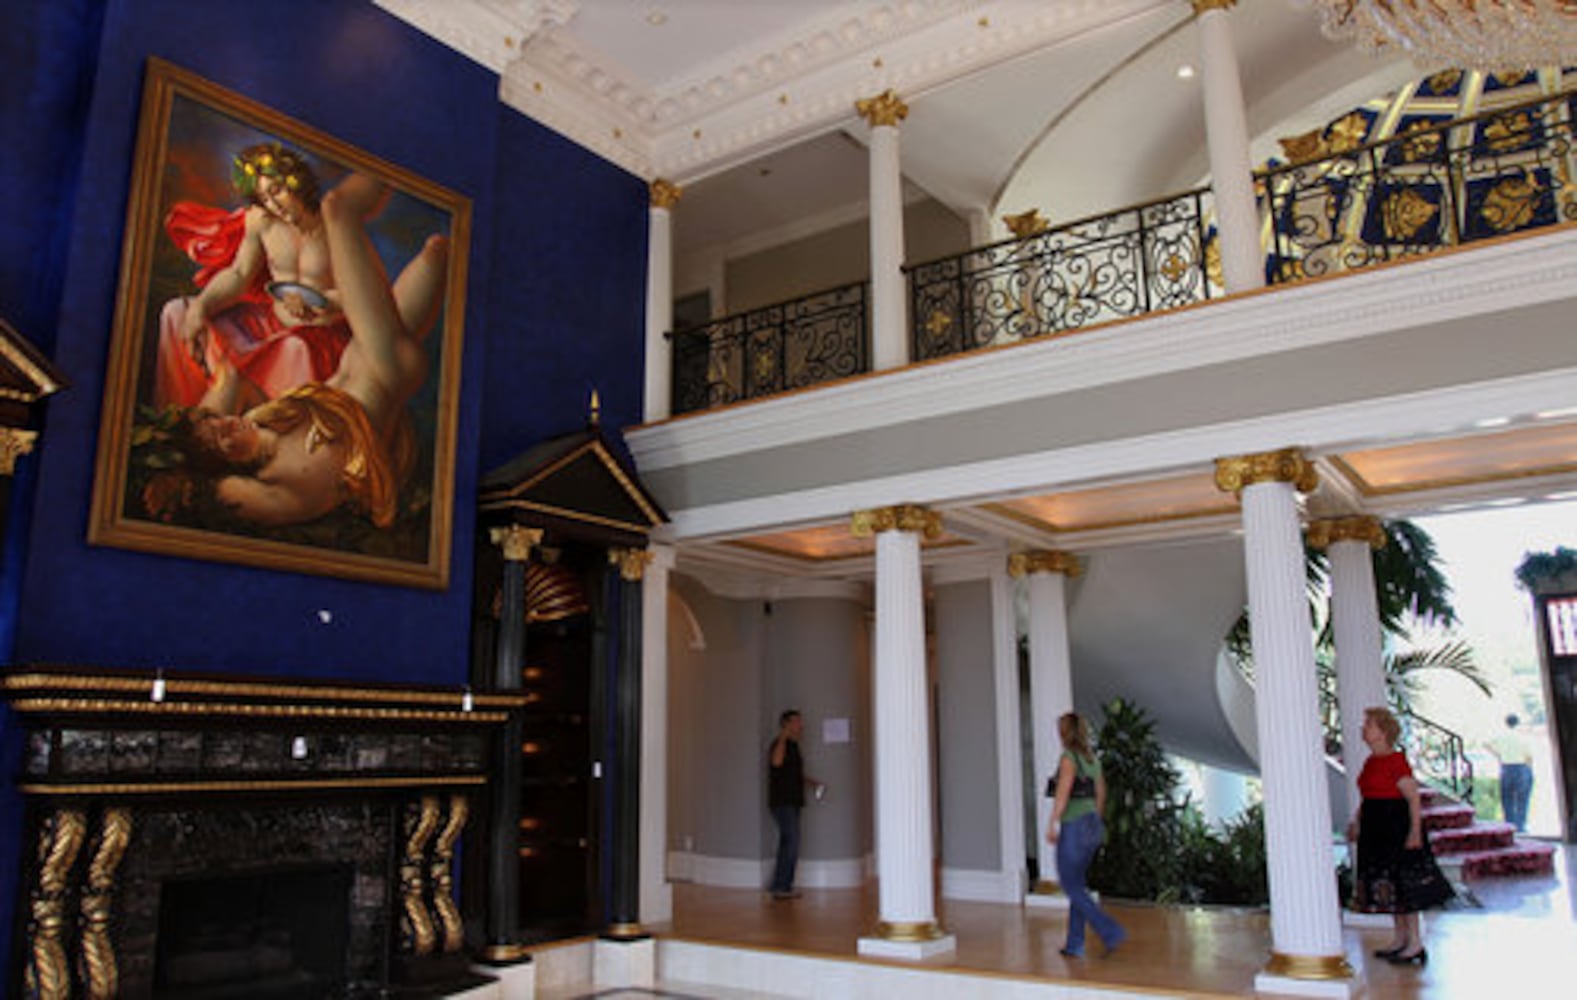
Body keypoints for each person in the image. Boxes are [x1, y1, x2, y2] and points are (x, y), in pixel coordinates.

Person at [157, 171, 448, 528]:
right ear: (228, 466)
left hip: (371, 351)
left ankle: (444, 221)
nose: (227, 422)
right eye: (221, 437)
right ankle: (396, 164)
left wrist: (198, 427)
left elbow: (230, 380)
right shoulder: (286, 483)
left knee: (439, 250)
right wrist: (181, 476)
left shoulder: (263, 420)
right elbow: (220, 496)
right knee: (338, 207)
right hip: (386, 369)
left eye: (218, 421)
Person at [155, 143, 354, 410]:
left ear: (296, 181)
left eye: (277, 191)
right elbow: (239, 274)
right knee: (177, 312)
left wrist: (321, 301)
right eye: (264, 198)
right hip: (270, 324)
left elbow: (361, 296)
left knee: (294, 347)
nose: (273, 205)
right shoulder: (261, 220)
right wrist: (200, 307)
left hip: (320, 339)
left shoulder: (334, 224)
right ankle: (176, 419)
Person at [1347, 706, 1454, 966]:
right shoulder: (1370, 762)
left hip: (1395, 827)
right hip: (1375, 827)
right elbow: (1368, 797)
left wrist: (1415, 831)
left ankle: (1415, 943)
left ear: (1383, 731)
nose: (1364, 728)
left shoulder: (1396, 761)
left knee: (1405, 884)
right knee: (1389, 884)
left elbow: (1413, 798)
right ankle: (1400, 938)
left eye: (1369, 725)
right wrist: (1357, 822)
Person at [1045, 711, 1124, 958]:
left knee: (1069, 885)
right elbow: (1101, 793)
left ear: (1066, 732)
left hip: (1074, 824)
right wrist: (1095, 821)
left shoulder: (1069, 758)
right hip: (1092, 823)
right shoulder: (1092, 760)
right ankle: (1075, 944)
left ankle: (1110, 930)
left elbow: (1063, 792)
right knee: (1078, 884)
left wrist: (1052, 822)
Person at [767, 709, 821, 900]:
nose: (801, 725)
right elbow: (776, 762)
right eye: (796, 721)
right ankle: (781, 886)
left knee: (788, 843)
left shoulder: (794, 746)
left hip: (793, 801)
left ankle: (782, 886)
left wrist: (810, 782)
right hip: (783, 802)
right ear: (786, 724)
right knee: (791, 843)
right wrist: (783, 735)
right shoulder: (779, 743)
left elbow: (792, 774)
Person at [1488, 713, 1534, 832]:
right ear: (1518, 723)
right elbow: (1529, 756)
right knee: (1522, 799)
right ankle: (1520, 826)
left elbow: (1486, 744)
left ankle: (1509, 824)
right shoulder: (1522, 736)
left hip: (1506, 767)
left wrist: (1498, 755)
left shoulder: (1501, 735)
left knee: (1507, 798)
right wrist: (1530, 768)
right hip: (1521, 767)